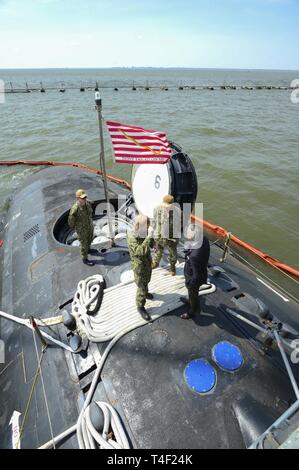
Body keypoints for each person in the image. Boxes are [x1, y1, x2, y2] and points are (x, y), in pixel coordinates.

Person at [127, 214, 155, 322]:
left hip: (147, 262)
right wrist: (148, 237)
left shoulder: (144, 231)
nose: (147, 229)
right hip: (139, 266)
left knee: (147, 280)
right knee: (141, 286)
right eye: (145, 226)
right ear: (138, 226)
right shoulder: (131, 236)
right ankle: (140, 306)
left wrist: (153, 243)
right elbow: (139, 251)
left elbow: (150, 242)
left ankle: (146, 293)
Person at [180, 223, 210, 320]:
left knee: (193, 294)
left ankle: (192, 311)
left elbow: (196, 276)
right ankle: (191, 300)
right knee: (193, 294)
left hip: (194, 278)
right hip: (202, 268)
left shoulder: (194, 256)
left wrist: (190, 284)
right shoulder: (204, 239)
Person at [151, 194, 182, 276]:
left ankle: (172, 267)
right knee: (158, 250)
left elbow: (180, 225)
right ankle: (155, 263)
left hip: (171, 238)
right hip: (159, 236)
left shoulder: (178, 212)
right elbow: (153, 221)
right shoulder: (157, 209)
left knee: (173, 254)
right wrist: (152, 231)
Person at [68, 189, 95, 266]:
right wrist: (75, 228)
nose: (84, 199)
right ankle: (85, 258)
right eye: (82, 198)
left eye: (85, 197)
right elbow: (71, 221)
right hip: (81, 229)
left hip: (89, 225)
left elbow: (91, 204)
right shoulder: (75, 209)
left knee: (90, 238)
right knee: (84, 243)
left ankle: (89, 250)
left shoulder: (87, 203)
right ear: (77, 198)